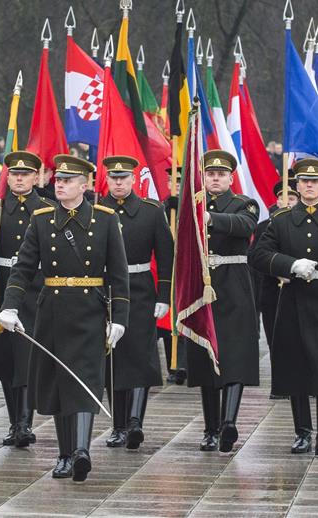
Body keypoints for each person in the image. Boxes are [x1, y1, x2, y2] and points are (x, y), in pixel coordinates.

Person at [0, 154, 129, 482]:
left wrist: (120, 318)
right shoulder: (41, 220)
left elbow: (119, 275)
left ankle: (81, 450)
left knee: (83, 379)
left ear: (84, 186)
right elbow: (23, 268)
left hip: (90, 311)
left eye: (68, 181)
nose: (60, 184)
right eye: (58, 180)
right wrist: (9, 306)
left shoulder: (106, 219)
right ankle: (65, 454)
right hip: (52, 310)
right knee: (58, 383)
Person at [249, 157, 318, 455]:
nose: (309, 186)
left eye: (315, 181)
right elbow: (258, 256)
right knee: (295, 367)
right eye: (304, 181)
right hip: (294, 298)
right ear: (296, 185)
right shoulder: (281, 221)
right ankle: (302, 432)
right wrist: (291, 264)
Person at [0, 151, 55, 448]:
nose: (18, 179)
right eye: (14, 174)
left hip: (34, 290)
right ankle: (15, 422)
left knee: (27, 357)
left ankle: (25, 422)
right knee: (7, 359)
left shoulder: (47, 208)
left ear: (36, 177)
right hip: (3, 286)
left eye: (25, 174)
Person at [99, 156, 174, 450]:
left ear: (133, 180)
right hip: (105, 290)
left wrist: (164, 296)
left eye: (124, 178)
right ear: (108, 179)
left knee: (141, 355)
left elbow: (166, 256)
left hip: (140, 289)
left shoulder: (151, 212)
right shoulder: (96, 211)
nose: (118, 183)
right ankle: (118, 425)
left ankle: (134, 422)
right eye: (114, 178)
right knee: (112, 359)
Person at [187, 150, 259, 454]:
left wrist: (210, 218)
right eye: (210, 174)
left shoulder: (245, 203)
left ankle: (229, 422)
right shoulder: (192, 203)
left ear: (231, 178)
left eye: (221, 174)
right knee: (206, 356)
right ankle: (210, 428)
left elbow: (245, 226)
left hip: (233, 285)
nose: (215, 178)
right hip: (202, 287)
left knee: (234, 354)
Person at [250, 181, 299, 381]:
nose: (286, 201)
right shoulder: (264, 227)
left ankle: (297, 377)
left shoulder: (305, 225)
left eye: (292, 198)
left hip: (297, 289)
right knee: (274, 337)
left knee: (296, 338)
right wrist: (277, 270)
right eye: (282, 197)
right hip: (271, 288)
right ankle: (279, 380)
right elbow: (254, 256)